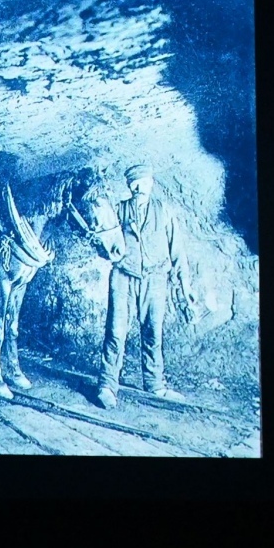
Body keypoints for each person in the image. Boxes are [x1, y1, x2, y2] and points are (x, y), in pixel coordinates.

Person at [96, 164, 195, 409]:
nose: (139, 187)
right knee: (116, 332)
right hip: (123, 277)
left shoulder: (164, 210)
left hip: (155, 278)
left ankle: (154, 384)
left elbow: (177, 250)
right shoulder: (119, 210)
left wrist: (185, 285)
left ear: (151, 183)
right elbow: (105, 241)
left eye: (144, 182)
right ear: (130, 186)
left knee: (153, 331)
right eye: (134, 183)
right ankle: (107, 385)